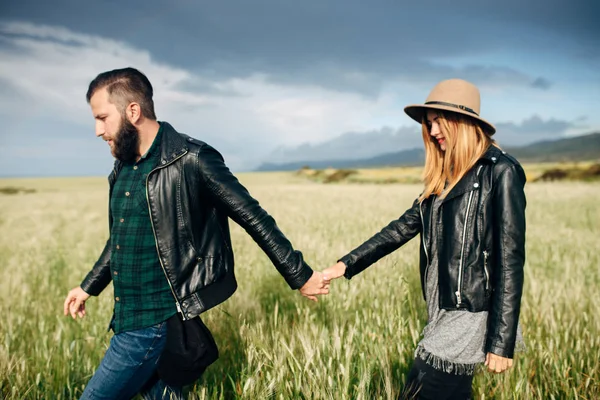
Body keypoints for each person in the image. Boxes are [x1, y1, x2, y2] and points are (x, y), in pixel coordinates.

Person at [63, 67, 329, 400]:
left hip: (154, 321)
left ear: (133, 111)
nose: (97, 130)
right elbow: (120, 238)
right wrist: (89, 286)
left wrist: (299, 274)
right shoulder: (123, 167)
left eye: (102, 117)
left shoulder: (192, 159)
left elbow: (252, 216)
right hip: (126, 315)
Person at [323, 79, 526, 399]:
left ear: (462, 122)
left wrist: (502, 341)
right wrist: (345, 264)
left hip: (469, 311)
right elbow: (402, 227)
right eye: (429, 125)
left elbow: (509, 259)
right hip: (440, 306)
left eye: (438, 123)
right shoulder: (446, 174)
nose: (432, 132)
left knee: (421, 390)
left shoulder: (499, 171)